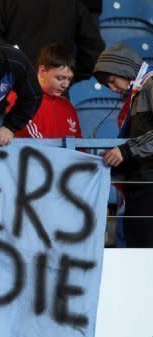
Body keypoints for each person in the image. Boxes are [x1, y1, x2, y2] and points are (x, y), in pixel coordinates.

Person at [93, 44, 153, 247]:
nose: (112, 88)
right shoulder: (138, 92)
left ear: (124, 69)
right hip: (139, 187)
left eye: (112, 80)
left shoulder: (151, 85)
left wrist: (125, 150)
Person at [0, 0, 105, 82]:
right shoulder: (73, 3)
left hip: (15, 86)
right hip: (54, 85)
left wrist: (9, 70)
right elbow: (94, 48)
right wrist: (68, 75)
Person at [13, 43, 82, 138]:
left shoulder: (67, 106)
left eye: (69, 79)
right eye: (60, 78)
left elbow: (79, 145)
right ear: (42, 71)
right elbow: (38, 143)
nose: (65, 85)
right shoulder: (20, 97)